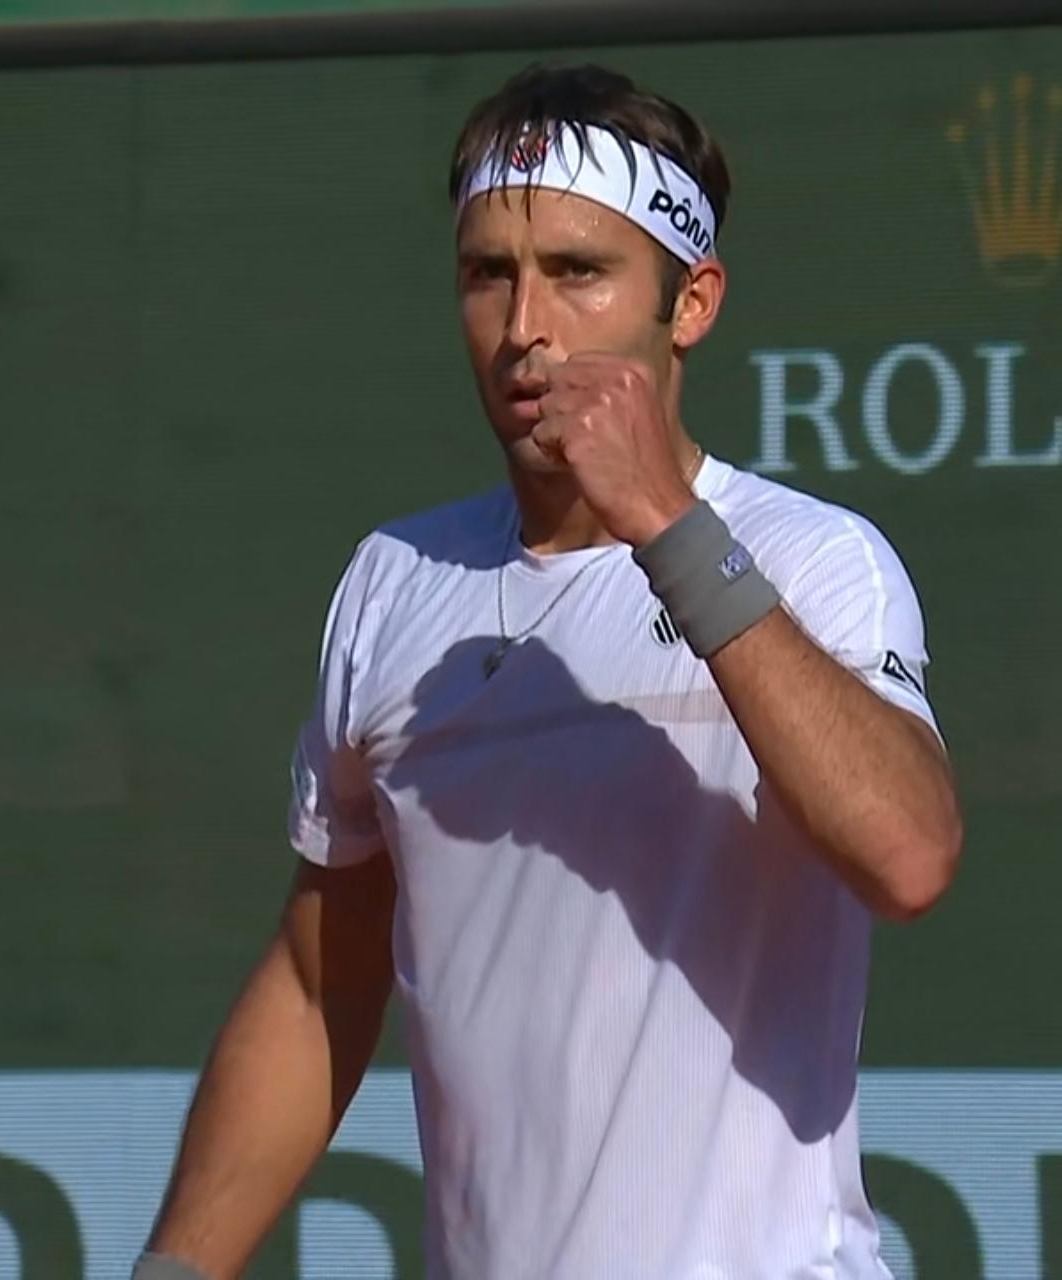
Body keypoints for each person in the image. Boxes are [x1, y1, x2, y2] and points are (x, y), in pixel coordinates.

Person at [135, 62, 962, 1280]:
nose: (526, 326)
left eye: (579, 271)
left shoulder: (811, 557)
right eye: (489, 273)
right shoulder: (394, 582)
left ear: (690, 303)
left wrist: (666, 526)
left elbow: (907, 854)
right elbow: (319, 981)